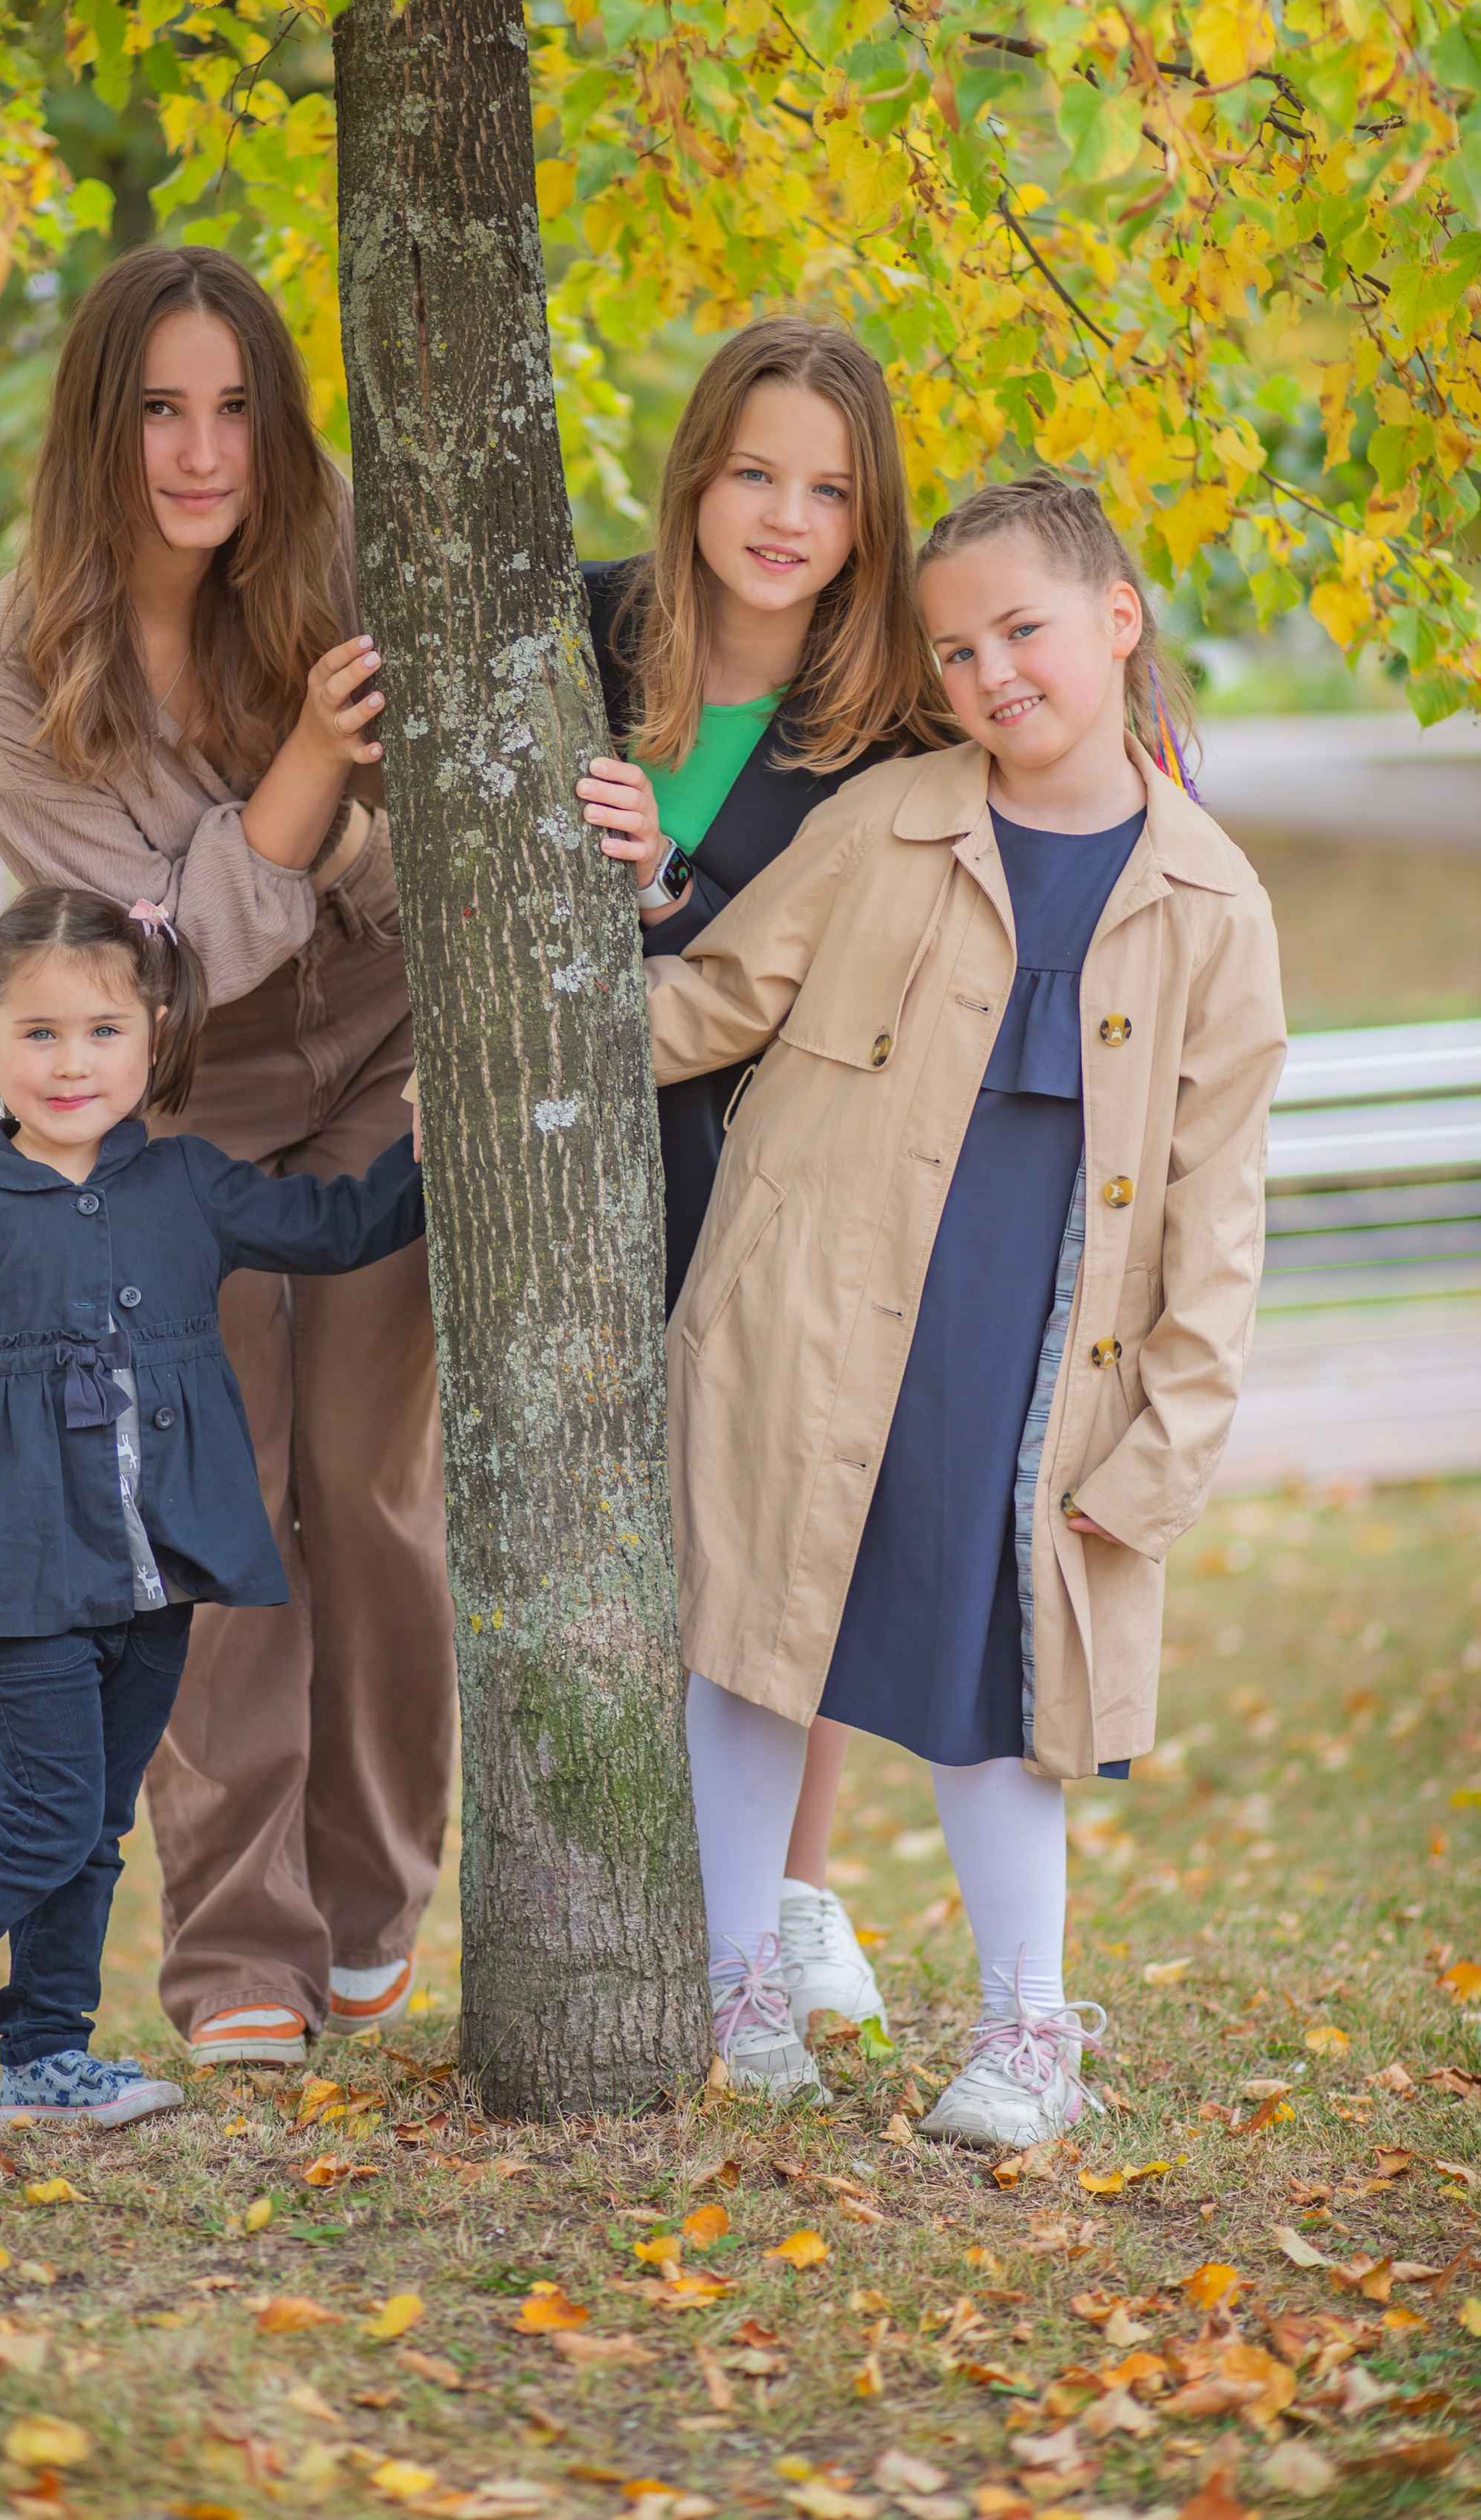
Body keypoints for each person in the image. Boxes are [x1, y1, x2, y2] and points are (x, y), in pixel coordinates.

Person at [640, 471, 1284, 2138]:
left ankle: (1023, 2030)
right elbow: (716, 994)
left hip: (1031, 1353)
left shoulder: (1211, 902)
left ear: (1116, 619)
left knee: (1000, 1682)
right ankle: (739, 1982)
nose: (993, 672)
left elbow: (1217, 1211)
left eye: (1023, 630)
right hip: (821, 1313)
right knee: (757, 1643)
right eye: (956, 649)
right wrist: (506, 1069)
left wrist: (1163, 1443)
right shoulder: (886, 824)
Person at [0, 246, 451, 2070]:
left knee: (371, 1486)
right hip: (184, 1092)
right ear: (101, 420)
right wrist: (311, 770)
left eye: (233, 404)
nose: (200, 449)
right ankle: (241, 1947)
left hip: (388, 1041)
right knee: (217, 1507)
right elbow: (160, 963)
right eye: (159, 406)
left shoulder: (332, 568)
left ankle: (376, 1891)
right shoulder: (11, 677)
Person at [0, 887, 426, 2187]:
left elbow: (341, 1230)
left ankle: (48, 2054)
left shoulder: (186, 1181)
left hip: (159, 1567)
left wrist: (427, 1140)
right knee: (44, 1814)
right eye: (42, 1034)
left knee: (99, 1820)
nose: (74, 1064)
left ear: (157, 1028)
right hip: (24, 1567)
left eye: (104, 1031)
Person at [571, 319, 955, 2042]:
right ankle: (675, 1896)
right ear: (694, 474)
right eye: (751, 473)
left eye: (826, 487)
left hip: (772, 1156)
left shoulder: (884, 724)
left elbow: (819, 968)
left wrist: (667, 882)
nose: (784, 516)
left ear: (869, 516)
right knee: (625, 1546)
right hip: (572, 1164)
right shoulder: (584, 631)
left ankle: (793, 1892)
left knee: (784, 1522)